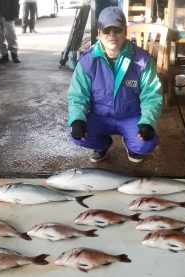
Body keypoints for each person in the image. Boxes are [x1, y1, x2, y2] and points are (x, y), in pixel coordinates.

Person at [68, 6, 163, 163]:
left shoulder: (142, 60)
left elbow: (152, 95)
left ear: (125, 31)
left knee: (146, 144)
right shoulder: (87, 61)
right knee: (77, 135)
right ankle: (102, 144)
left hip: (130, 116)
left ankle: (131, 144)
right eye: (106, 30)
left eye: (116, 29)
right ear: (99, 33)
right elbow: (78, 95)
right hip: (99, 116)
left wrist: (148, 121)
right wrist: (77, 119)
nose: (111, 34)